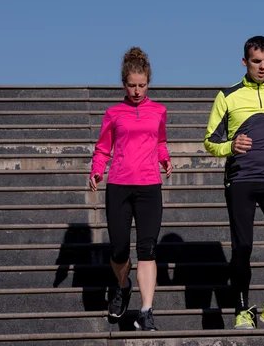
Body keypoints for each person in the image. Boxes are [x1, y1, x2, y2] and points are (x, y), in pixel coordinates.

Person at [204, 36, 264, 329]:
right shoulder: (227, 96)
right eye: (256, 61)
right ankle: (242, 310)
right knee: (243, 246)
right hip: (241, 181)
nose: (262, 67)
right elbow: (210, 142)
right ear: (245, 61)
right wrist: (231, 146)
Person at [89, 46, 173, 331]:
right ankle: (122, 286)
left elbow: (160, 142)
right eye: (132, 85)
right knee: (119, 250)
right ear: (123, 84)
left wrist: (165, 160)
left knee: (147, 250)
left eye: (142, 85)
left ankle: (146, 310)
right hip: (119, 186)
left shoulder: (159, 111)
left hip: (150, 186)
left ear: (148, 82)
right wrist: (97, 170)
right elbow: (102, 148)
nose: (137, 91)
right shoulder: (113, 113)